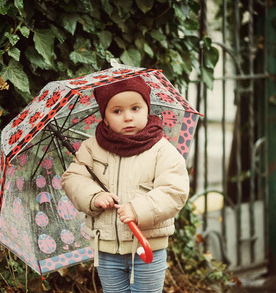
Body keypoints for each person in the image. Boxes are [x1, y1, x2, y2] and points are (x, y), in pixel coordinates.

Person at [61, 76, 189, 293]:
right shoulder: (92, 148)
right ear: (105, 117)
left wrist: (138, 209)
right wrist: (93, 196)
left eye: (135, 108)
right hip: (107, 248)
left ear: (147, 110)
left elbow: (174, 191)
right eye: (117, 111)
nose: (128, 117)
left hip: (148, 245)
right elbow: (73, 178)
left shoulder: (161, 149)